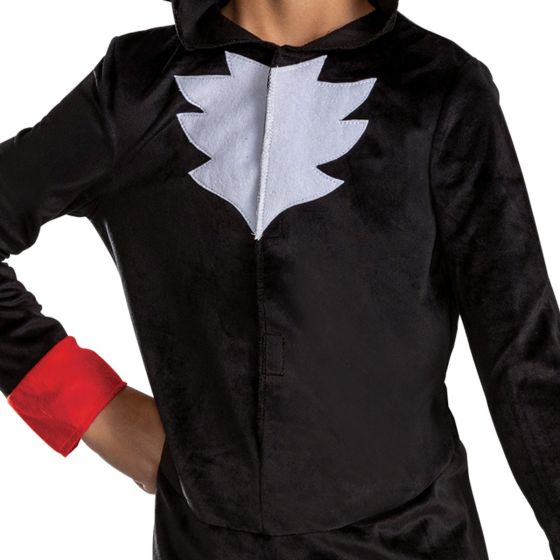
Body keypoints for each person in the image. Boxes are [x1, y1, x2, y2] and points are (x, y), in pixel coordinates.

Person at [1, 0, 559, 558]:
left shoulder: (440, 90)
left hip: (417, 541)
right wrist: (91, 405)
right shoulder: (138, 86)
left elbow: (523, 359)